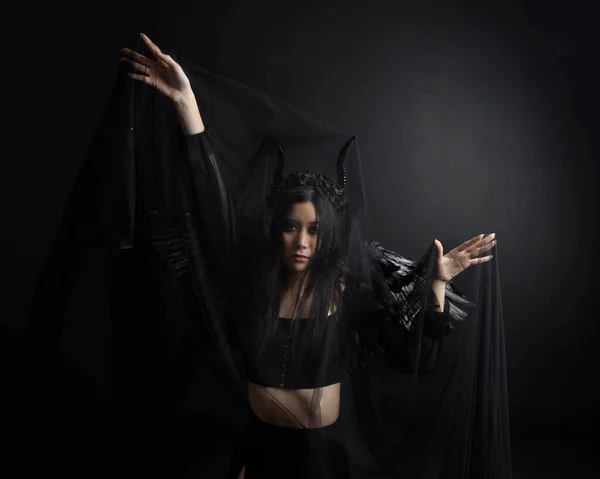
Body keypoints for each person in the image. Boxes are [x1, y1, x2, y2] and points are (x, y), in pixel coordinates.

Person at [27, 32, 510, 478]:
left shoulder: (349, 291)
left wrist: (437, 286)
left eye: (315, 231)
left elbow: (416, 362)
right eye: (291, 227)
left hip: (328, 456)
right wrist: (185, 103)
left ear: (328, 238)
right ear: (276, 232)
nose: (302, 241)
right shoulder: (248, 284)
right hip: (261, 454)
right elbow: (209, 207)